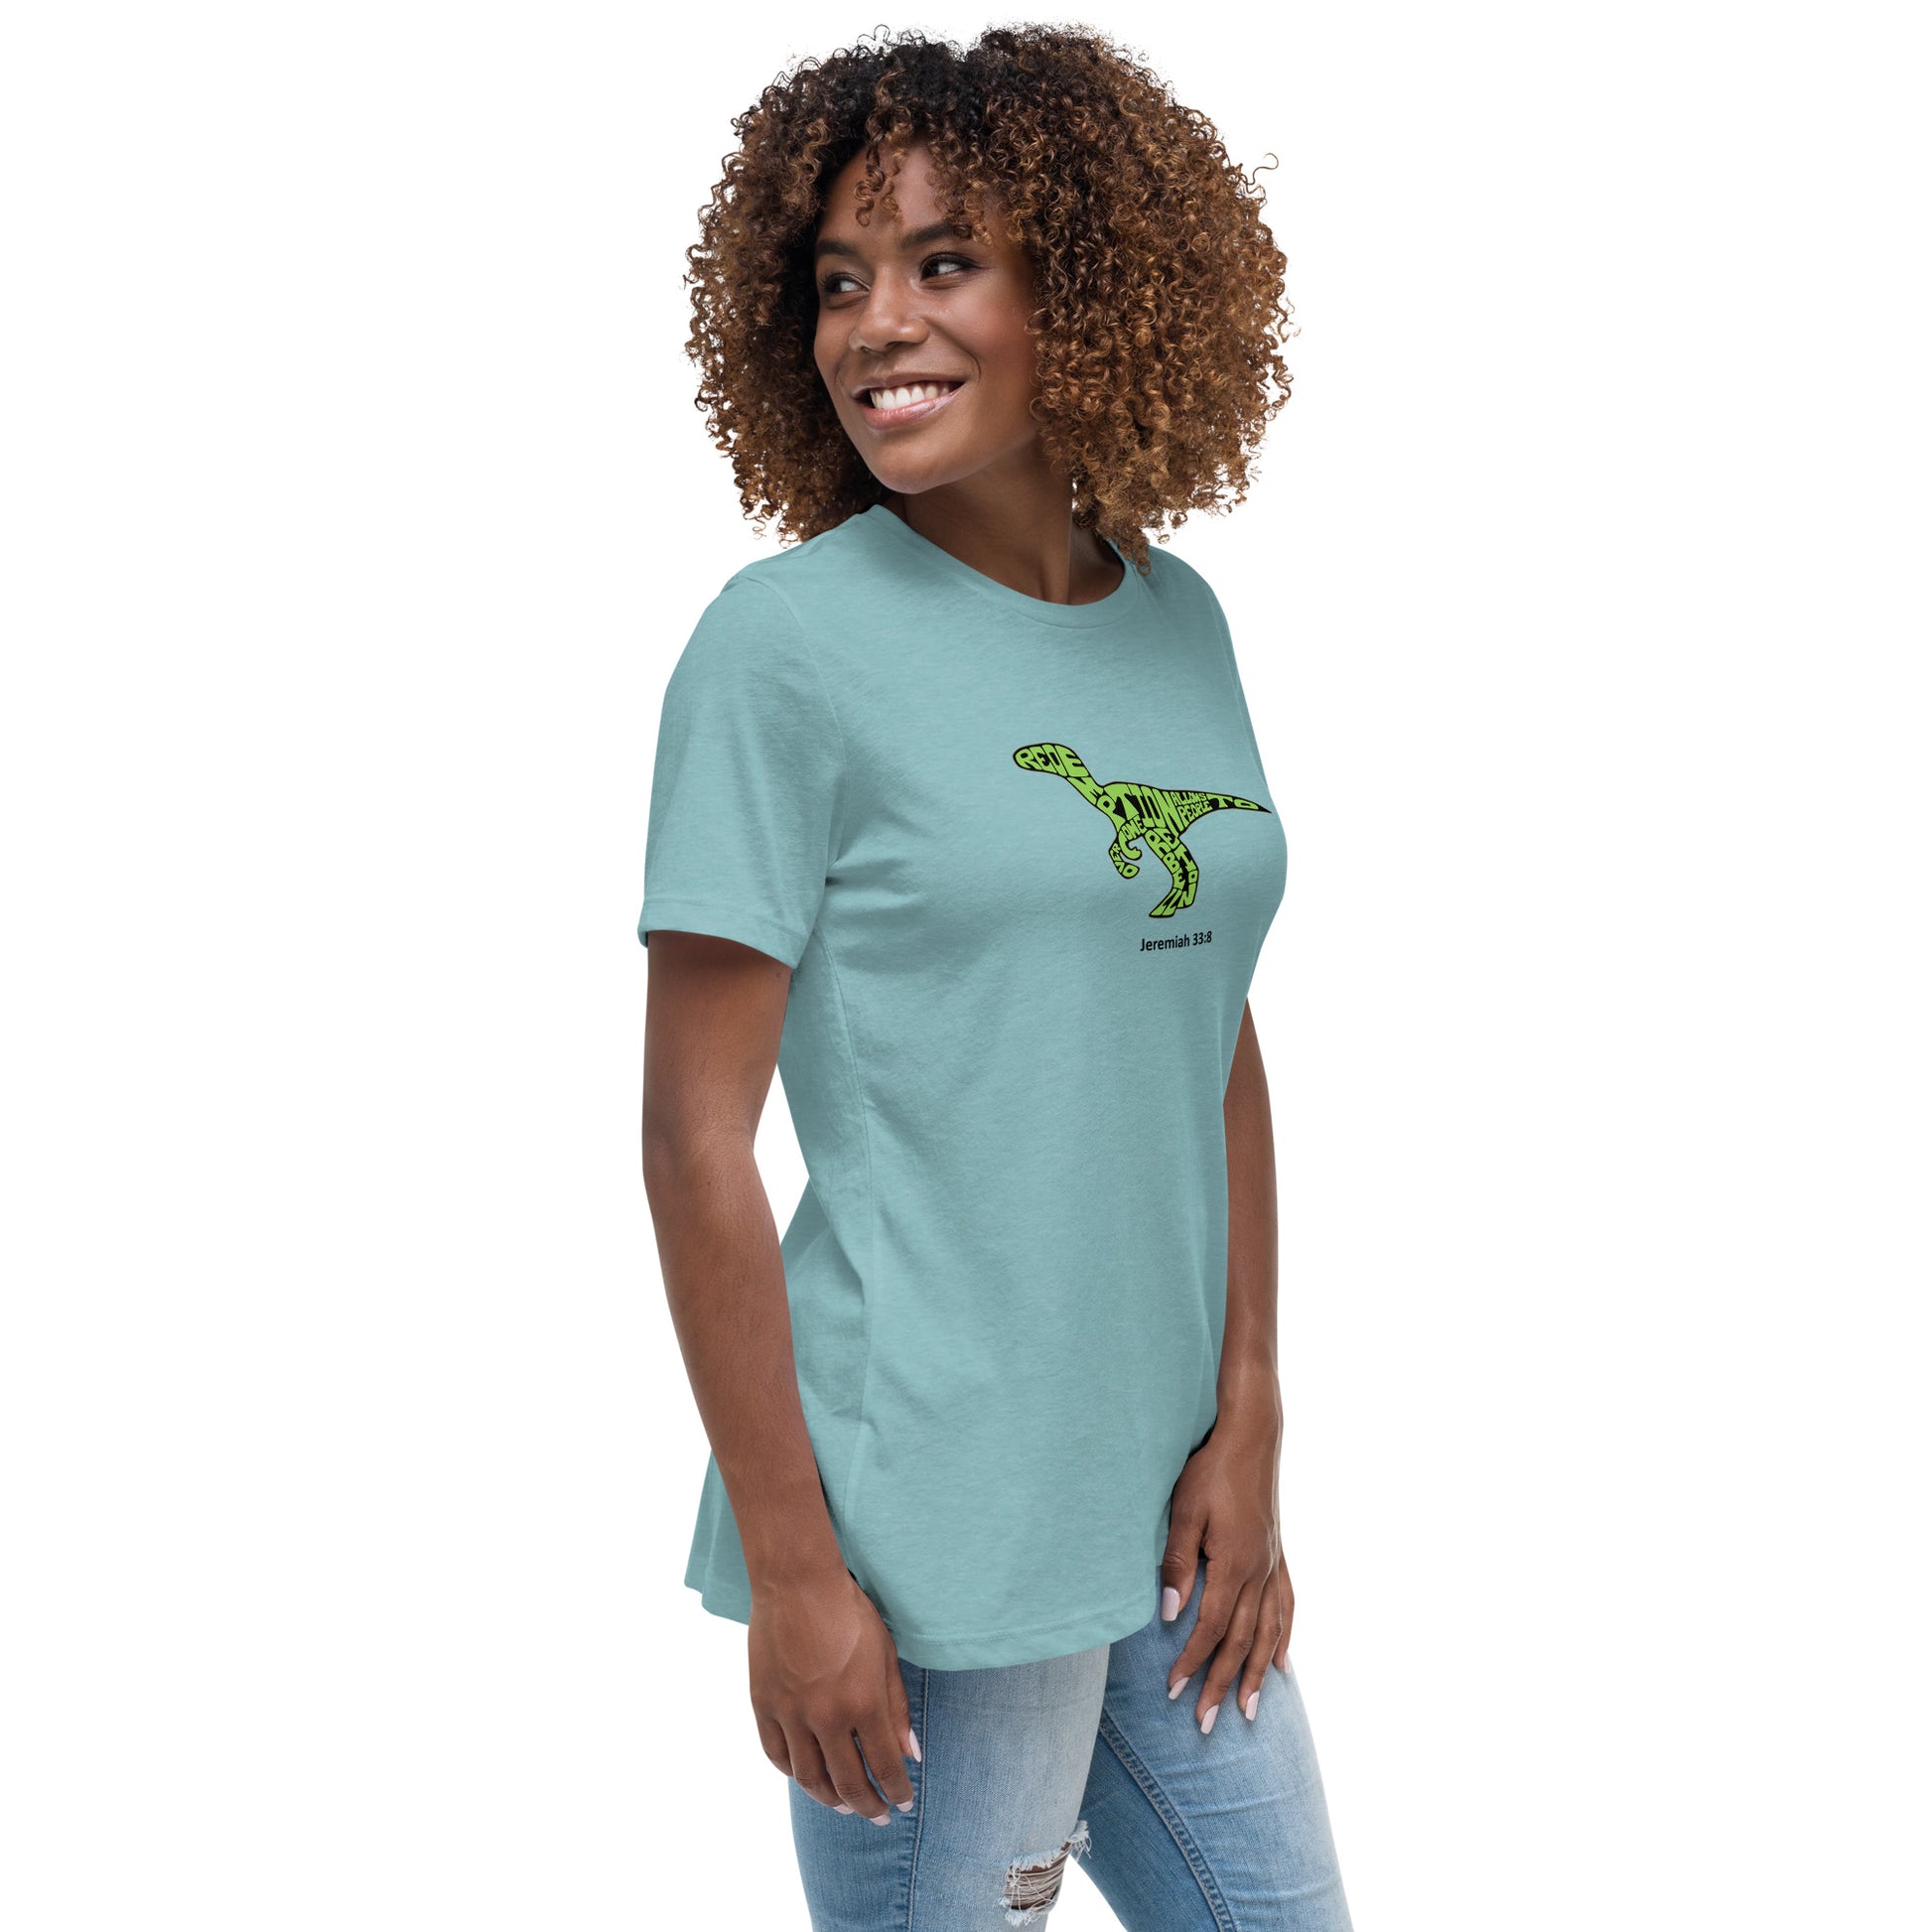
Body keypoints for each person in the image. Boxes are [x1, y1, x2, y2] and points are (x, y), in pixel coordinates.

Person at [637, 26, 1353, 1929]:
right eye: (837, 280)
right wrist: (798, 1572)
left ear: (1087, 290)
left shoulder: (1176, 619)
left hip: (1163, 1508)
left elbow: (1198, 1019)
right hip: (931, 1535)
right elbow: (695, 1141)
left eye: (943, 262)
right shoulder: (782, 649)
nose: (878, 324)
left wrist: (1251, 1407)